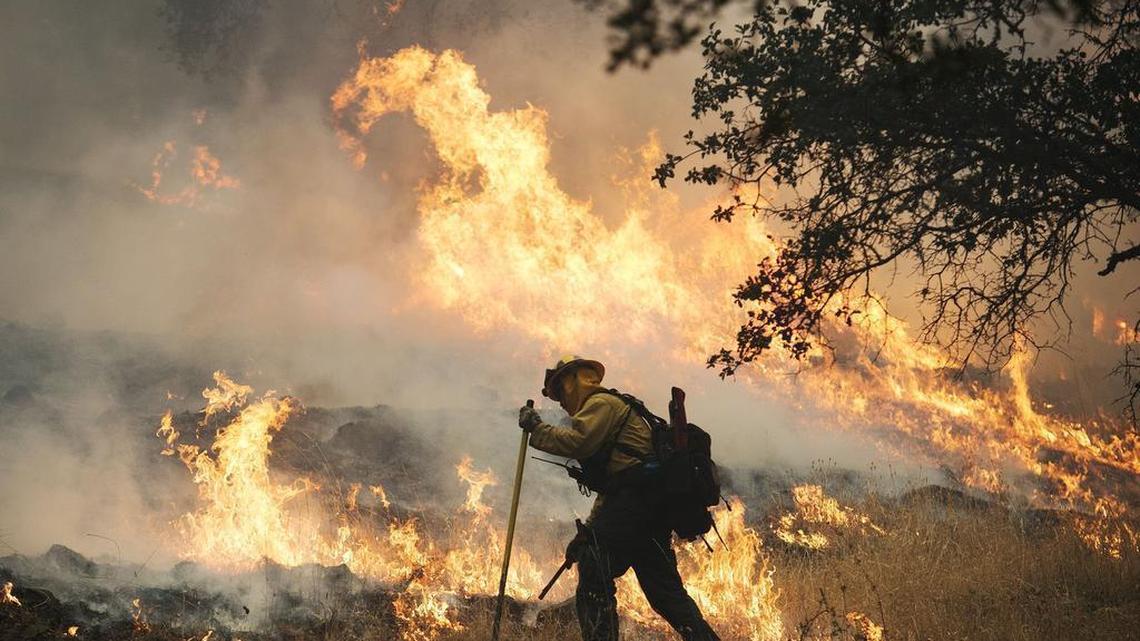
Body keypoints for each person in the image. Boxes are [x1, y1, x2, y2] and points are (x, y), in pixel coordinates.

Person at [518, 355, 720, 641]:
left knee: (593, 570)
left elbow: (579, 443)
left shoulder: (600, 405)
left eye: (559, 392)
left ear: (573, 381)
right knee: (666, 596)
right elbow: (616, 485)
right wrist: (586, 532)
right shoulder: (609, 408)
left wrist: (536, 429)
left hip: (635, 507)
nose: (560, 401)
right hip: (649, 509)